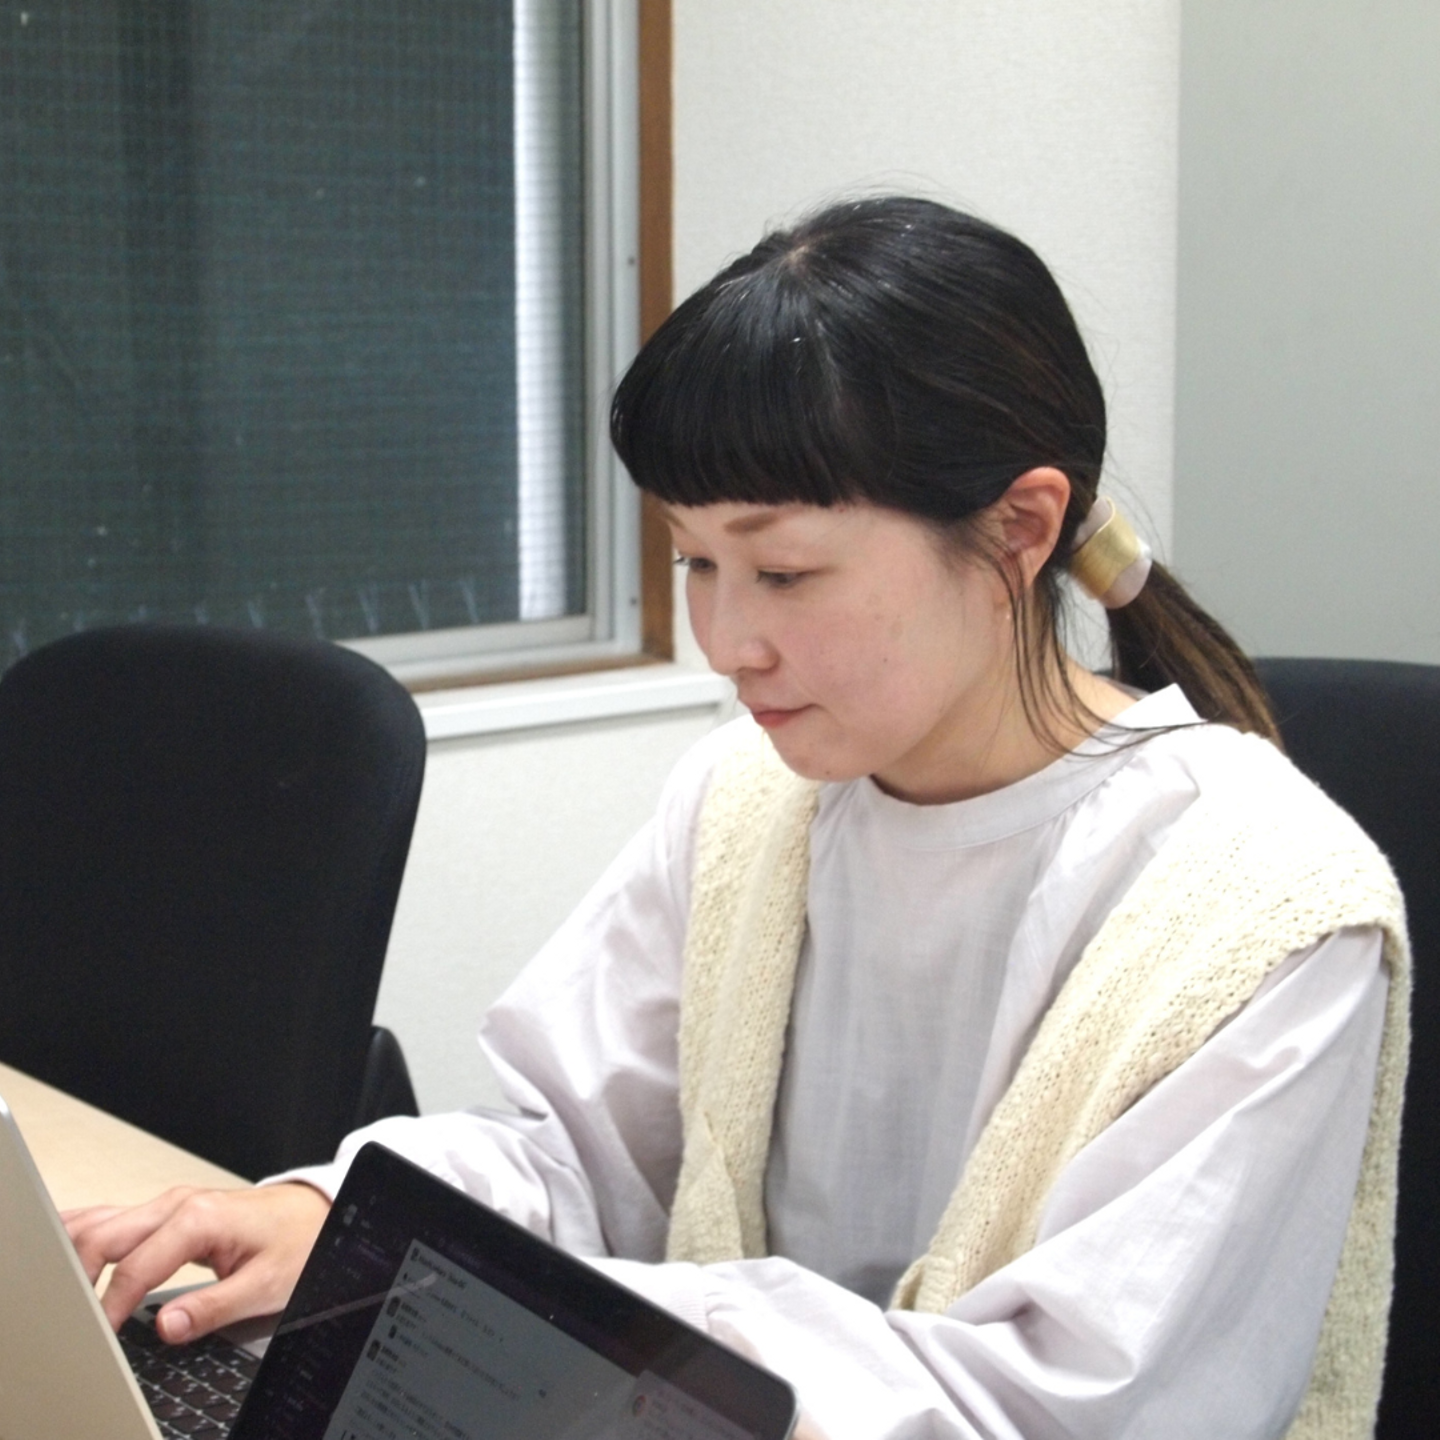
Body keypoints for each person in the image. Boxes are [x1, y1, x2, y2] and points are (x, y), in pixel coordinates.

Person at [65, 197, 1408, 1440]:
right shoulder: (749, 801)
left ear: (1018, 532)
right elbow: (572, 1150)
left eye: (784, 571)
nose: (726, 640)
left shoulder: (1266, 917)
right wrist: (342, 1219)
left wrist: (630, 1324)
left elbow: (1064, 1411)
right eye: (694, 561)